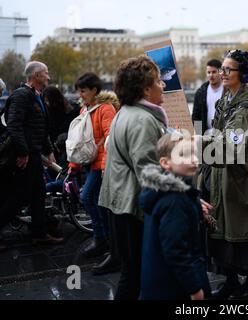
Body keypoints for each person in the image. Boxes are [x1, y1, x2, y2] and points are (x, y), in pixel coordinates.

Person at [99, 55, 168, 300]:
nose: (164, 86)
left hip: (121, 204)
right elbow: (149, 173)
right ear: (146, 89)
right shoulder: (143, 120)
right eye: (159, 81)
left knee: (132, 273)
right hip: (132, 209)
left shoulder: (126, 112)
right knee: (135, 275)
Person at [206, 49, 248, 300]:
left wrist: (197, 145)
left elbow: (230, 146)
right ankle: (231, 281)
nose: (222, 73)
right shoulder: (227, 98)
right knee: (222, 230)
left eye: (227, 70)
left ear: (242, 74)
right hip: (221, 174)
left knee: (241, 231)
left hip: (237, 175)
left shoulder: (244, 105)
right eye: (221, 69)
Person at [139, 133, 210, 300]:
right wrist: (194, 288)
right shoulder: (174, 200)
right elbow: (175, 249)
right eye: (184, 154)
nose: (193, 159)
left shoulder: (164, 191)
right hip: (175, 288)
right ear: (165, 163)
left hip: (160, 282)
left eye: (194, 153)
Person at [0, 61, 63, 249]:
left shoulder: (36, 95)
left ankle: (39, 234)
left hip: (34, 153)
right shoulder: (22, 95)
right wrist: (23, 152)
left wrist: (49, 150)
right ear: (35, 75)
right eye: (46, 73)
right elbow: (14, 125)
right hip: (26, 156)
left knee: (38, 194)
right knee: (20, 196)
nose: (49, 77)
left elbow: (40, 127)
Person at [68, 73, 117, 259]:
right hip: (91, 164)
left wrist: (105, 166)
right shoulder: (85, 111)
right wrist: (74, 164)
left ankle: (101, 238)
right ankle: (106, 239)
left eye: (83, 91)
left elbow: (110, 139)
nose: (80, 95)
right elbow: (79, 141)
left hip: (99, 166)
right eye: (79, 91)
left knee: (86, 197)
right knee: (98, 202)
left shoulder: (105, 109)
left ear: (94, 90)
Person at [42, 86, 80, 166]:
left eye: (47, 100)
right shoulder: (48, 112)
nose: (47, 103)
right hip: (54, 148)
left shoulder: (71, 111)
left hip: (66, 148)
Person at [192, 59, 224, 135]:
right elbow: (196, 117)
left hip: (224, 136)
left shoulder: (228, 90)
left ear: (220, 72)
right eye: (208, 72)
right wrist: (199, 137)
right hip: (206, 137)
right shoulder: (200, 92)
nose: (211, 75)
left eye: (214, 72)